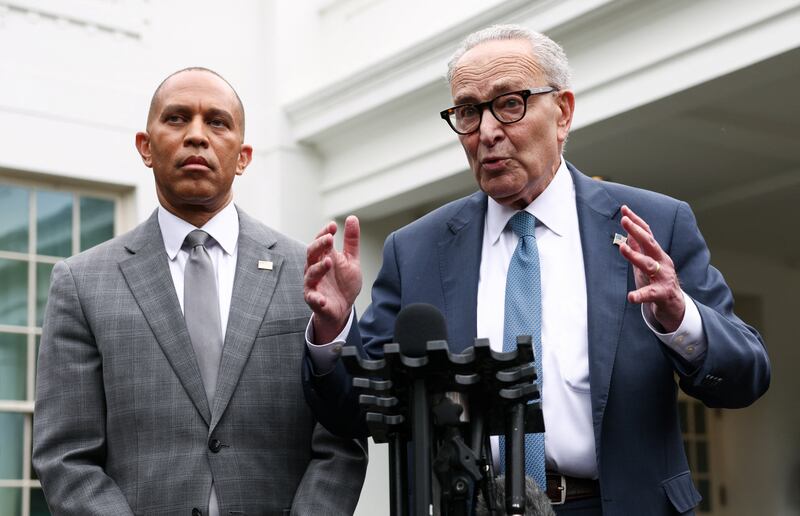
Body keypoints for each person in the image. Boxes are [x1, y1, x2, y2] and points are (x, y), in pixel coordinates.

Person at [301, 25, 770, 515]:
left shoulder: (654, 224)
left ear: (563, 111)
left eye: (510, 103)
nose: (486, 132)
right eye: (468, 111)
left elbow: (747, 376)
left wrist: (679, 318)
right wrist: (334, 329)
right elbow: (354, 412)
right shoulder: (417, 250)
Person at [33, 67, 367, 516]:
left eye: (217, 121)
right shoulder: (81, 283)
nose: (196, 135)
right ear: (145, 147)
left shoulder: (307, 273)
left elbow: (341, 441)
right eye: (176, 118)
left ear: (243, 156)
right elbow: (65, 456)